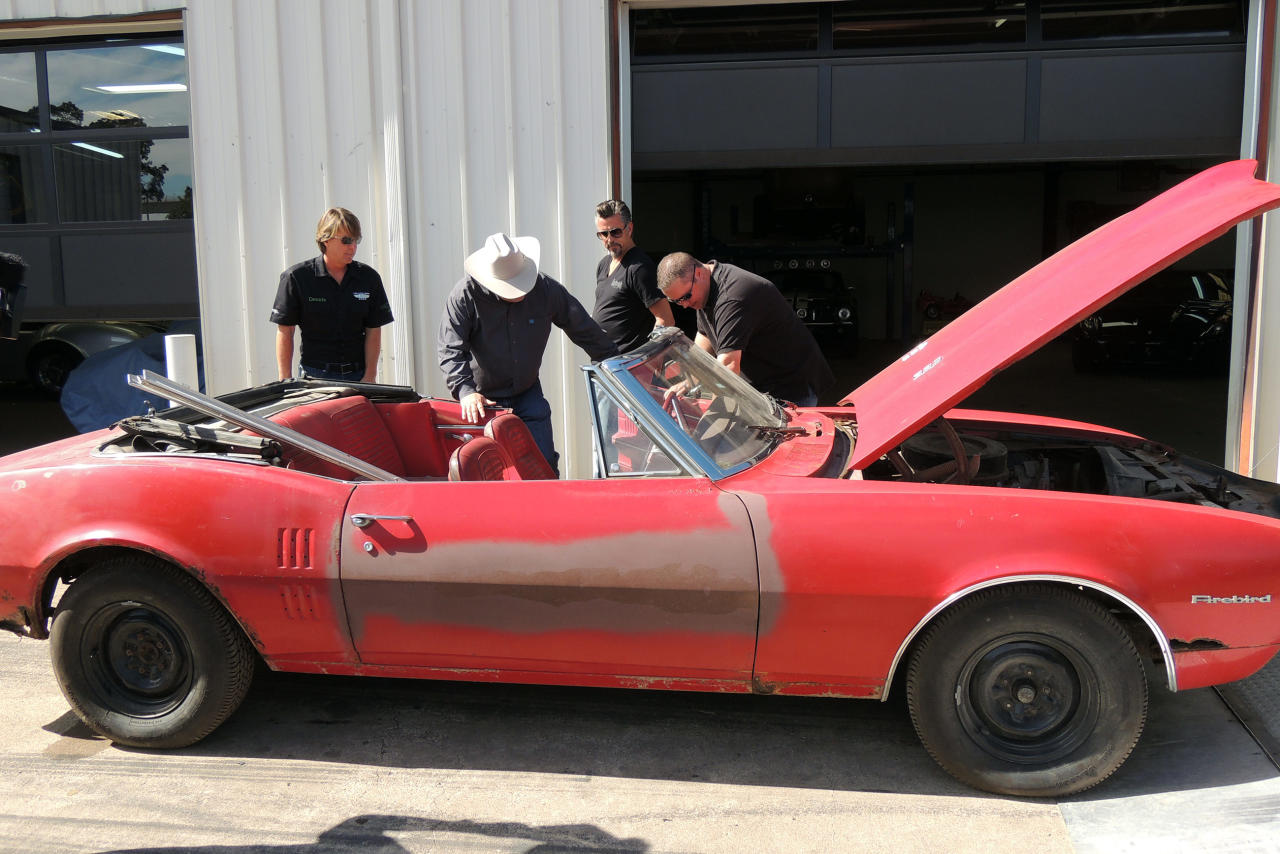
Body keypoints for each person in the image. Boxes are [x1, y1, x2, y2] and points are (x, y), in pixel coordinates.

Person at [438, 232, 620, 476]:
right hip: (483, 401)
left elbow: (583, 327)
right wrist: (466, 391)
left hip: (527, 392)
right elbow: (450, 348)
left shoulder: (545, 289)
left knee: (543, 465)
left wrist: (613, 363)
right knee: (490, 473)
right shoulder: (465, 295)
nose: (519, 292)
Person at [656, 252, 833, 407]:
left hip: (791, 386)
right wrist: (689, 380)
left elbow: (728, 367)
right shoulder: (705, 290)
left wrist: (708, 407)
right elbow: (705, 336)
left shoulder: (732, 297)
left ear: (699, 274)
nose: (685, 305)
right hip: (762, 385)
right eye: (676, 301)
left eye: (686, 297)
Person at [270, 208, 393, 382]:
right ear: (325, 239)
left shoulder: (368, 278)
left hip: (358, 377)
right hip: (314, 377)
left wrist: (370, 375)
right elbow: (285, 330)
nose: (353, 247)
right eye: (346, 240)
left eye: (356, 240)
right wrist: (285, 380)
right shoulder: (297, 278)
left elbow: (373, 329)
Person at [592, 199, 673, 352]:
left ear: (629, 228)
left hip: (629, 362)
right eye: (603, 234)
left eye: (615, 232)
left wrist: (651, 357)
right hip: (604, 359)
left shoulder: (640, 267)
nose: (610, 239)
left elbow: (665, 319)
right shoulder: (603, 264)